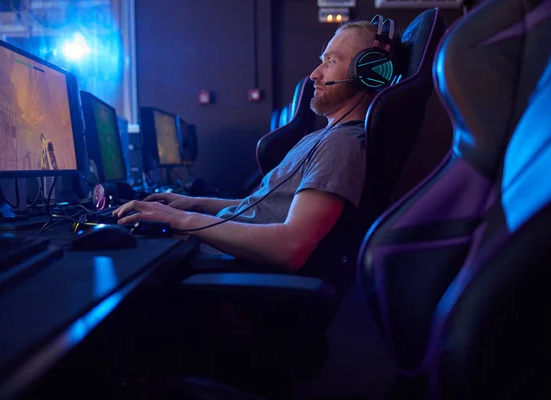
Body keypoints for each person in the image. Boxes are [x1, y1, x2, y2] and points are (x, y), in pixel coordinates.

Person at [114, 19, 403, 272]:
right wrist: (192, 204)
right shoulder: (323, 138)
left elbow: (291, 248)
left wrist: (184, 220)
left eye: (330, 62)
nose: (315, 73)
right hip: (223, 254)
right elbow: (264, 208)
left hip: (234, 274)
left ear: (368, 73)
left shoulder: (341, 146)